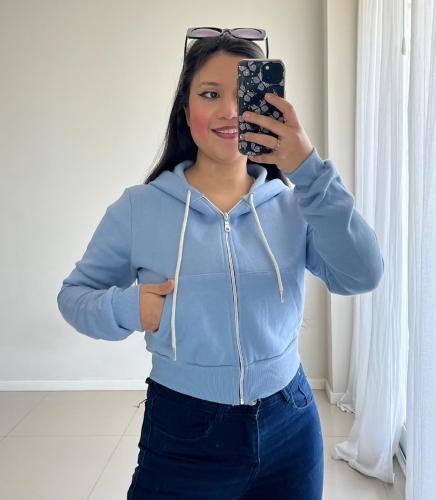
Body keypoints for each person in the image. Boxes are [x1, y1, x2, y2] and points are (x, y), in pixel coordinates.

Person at [57, 28, 384, 499]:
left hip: (290, 424)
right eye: (210, 94)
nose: (230, 111)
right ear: (185, 109)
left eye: (244, 96)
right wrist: (128, 308)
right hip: (183, 430)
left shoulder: (296, 204)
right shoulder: (138, 208)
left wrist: (309, 169)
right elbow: (74, 297)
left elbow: (362, 274)